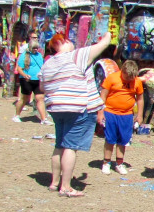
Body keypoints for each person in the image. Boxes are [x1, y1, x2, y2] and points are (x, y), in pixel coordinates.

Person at [40, 32, 110, 197]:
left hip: (57, 108)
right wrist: (107, 32)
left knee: (60, 145)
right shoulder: (77, 55)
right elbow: (104, 44)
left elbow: (42, 87)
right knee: (71, 147)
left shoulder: (48, 63)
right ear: (63, 41)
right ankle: (66, 187)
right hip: (77, 107)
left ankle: (54, 182)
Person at [98, 60, 144, 174]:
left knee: (123, 139)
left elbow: (140, 99)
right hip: (110, 112)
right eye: (127, 77)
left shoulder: (137, 81)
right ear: (122, 71)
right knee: (110, 138)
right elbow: (103, 96)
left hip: (126, 114)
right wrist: (100, 112)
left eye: (131, 78)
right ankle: (106, 162)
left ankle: (119, 163)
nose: (129, 80)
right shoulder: (112, 78)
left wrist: (139, 115)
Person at [12, 31, 50, 124]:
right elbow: (19, 68)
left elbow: (42, 66)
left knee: (40, 98)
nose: (36, 49)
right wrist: (25, 75)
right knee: (24, 99)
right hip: (26, 80)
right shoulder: (24, 55)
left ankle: (44, 119)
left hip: (37, 80)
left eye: (37, 48)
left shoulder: (39, 55)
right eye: (34, 48)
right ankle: (16, 115)